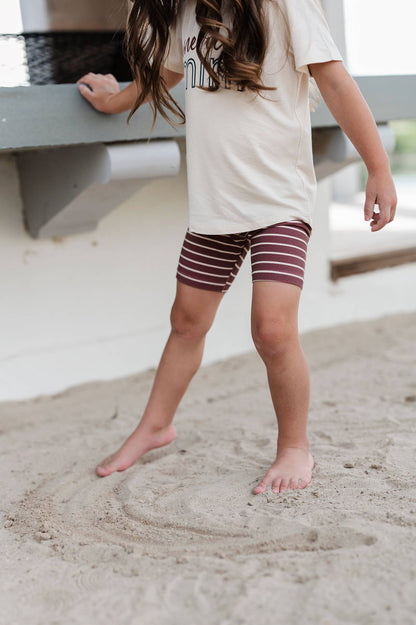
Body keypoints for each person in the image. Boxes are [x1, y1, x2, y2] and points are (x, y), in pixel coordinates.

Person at [77, 0, 397, 494]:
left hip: (279, 202)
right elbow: (161, 77)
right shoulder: (185, 14)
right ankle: (155, 426)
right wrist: (112, 100)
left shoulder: (287, 6)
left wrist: (377, 169)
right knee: (185, 322)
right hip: (214, 207)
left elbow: (334, 81)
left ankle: (294, 447)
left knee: (271, 330)